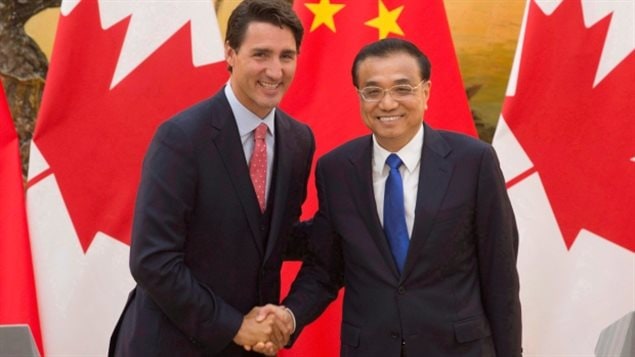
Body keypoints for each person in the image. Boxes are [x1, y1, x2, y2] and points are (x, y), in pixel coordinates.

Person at [281, 38, 522, 356]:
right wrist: (288, 317)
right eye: (373, 91)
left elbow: (500, 275)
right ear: (359, 96)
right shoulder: (336, 170)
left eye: (402, 88)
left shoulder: (473, 162)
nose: (387, 103)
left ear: (426, 92)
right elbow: (326, 267)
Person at [108, 0, 313, 356]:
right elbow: (153, 260)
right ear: (230, 53)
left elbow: (271, 236)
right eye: (261, 54)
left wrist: (352, 225)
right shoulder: (181, 137)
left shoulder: (299, 140)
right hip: (169, 345)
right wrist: (234, 326)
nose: (275, 71)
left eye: (286, 56)